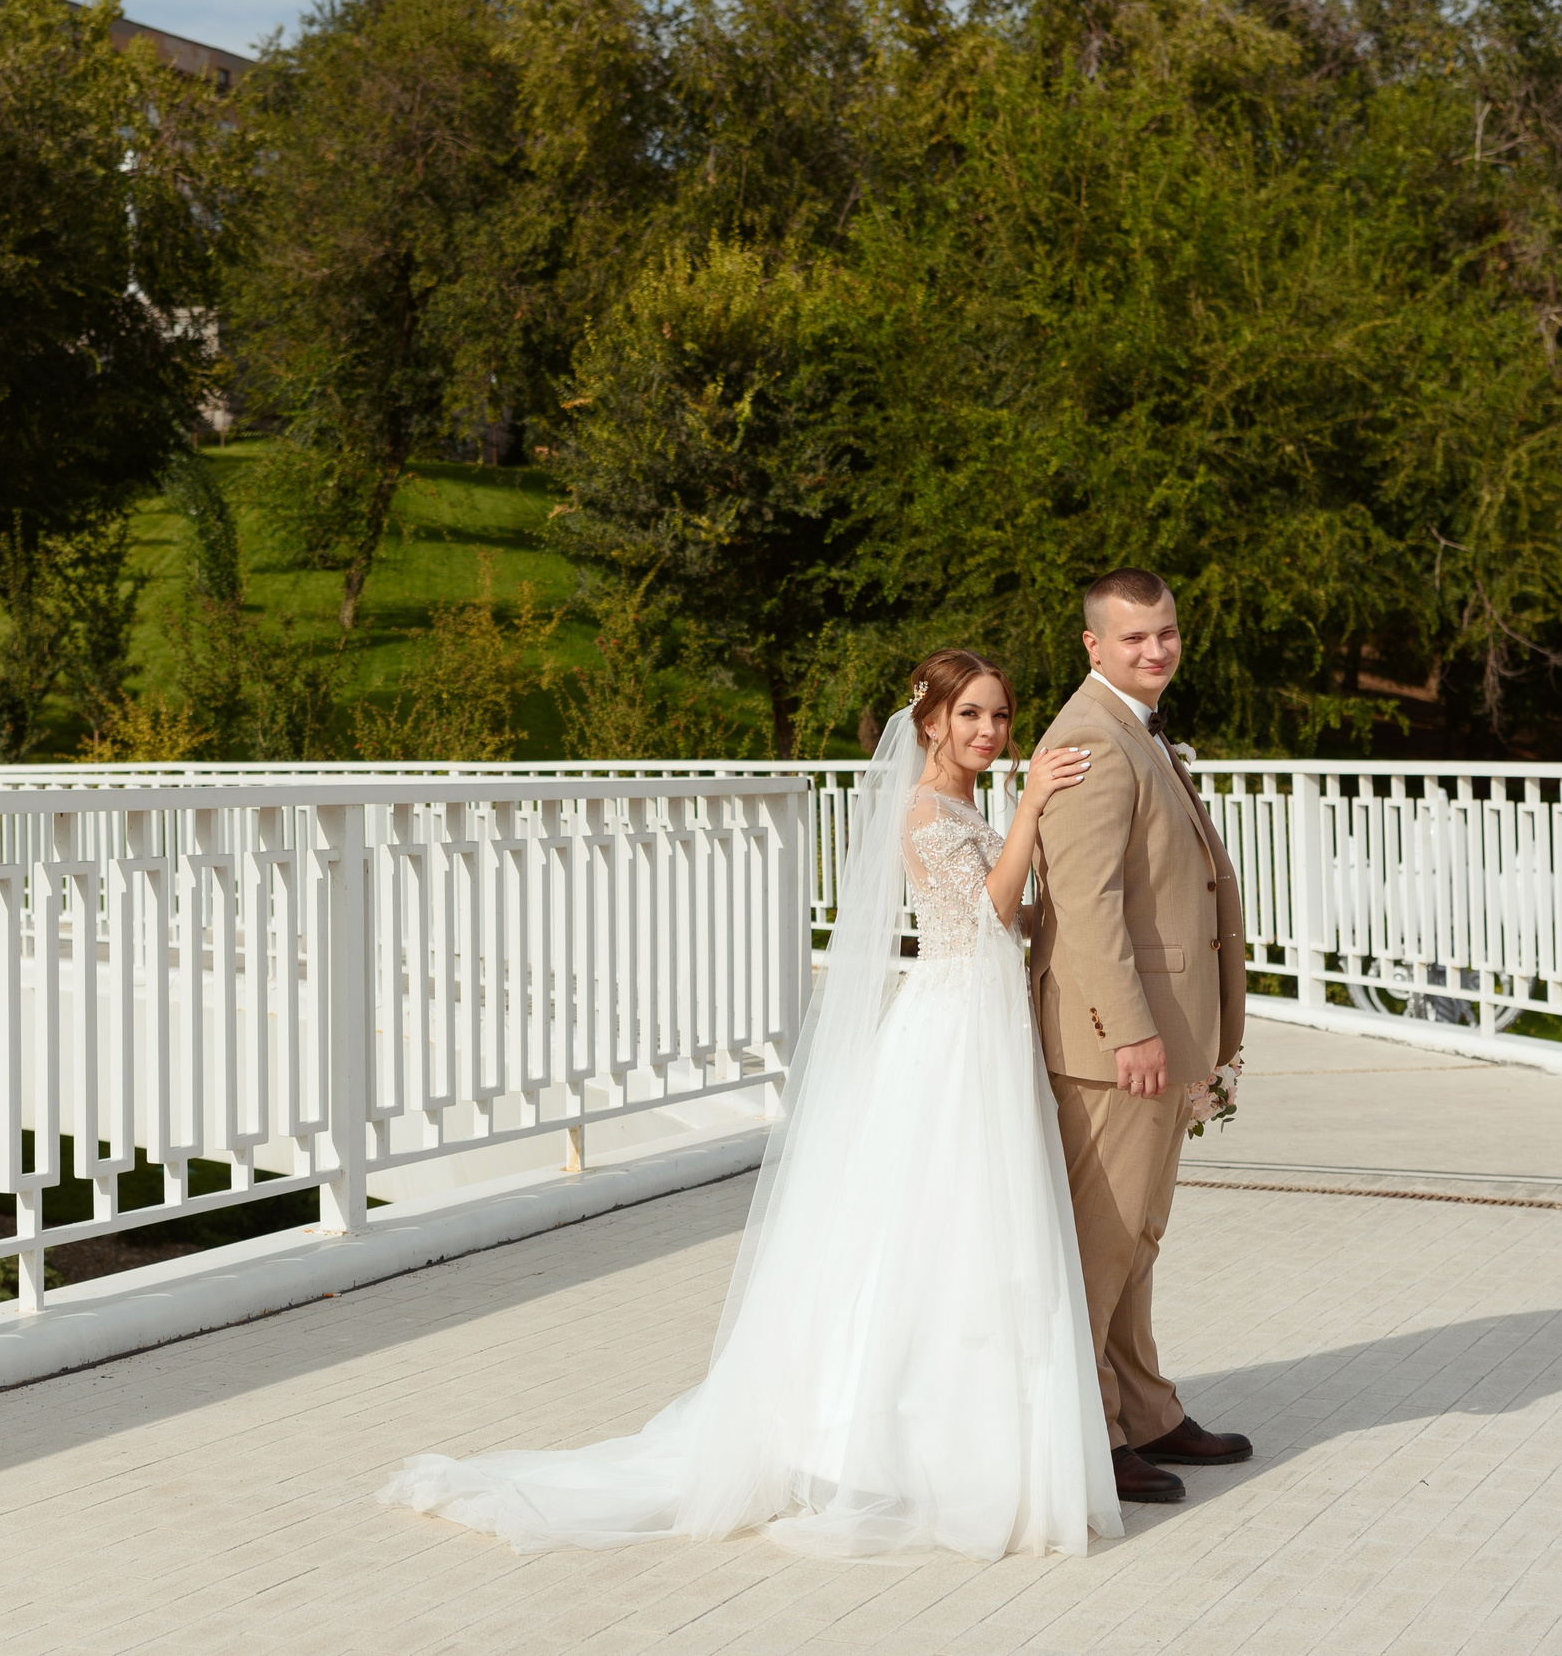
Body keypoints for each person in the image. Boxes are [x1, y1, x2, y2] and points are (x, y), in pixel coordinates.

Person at [380, 651, 1122, 1561]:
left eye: (1002, 717)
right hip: (952, 1032)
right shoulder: (926, 808)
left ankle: (973, 1439)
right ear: (929, 720)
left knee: (970, 1227)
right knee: (942, 1220)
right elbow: (986, 917)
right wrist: (1038, 803)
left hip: (981, 1027)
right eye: (971, 714)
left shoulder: (965, 804)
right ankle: (900, 1445)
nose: (990, 733)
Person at [1029, 568, 1252, 1506]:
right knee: (1102, 1241)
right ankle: (1088, 1432)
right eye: (1133, 638)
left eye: (1165, 632)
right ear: (1092, 646)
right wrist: (1129, 1031)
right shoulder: (1090, 738)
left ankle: (1145, 1408)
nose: (1155, 649)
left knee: (1140, 1234)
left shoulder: (1140, 730)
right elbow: (1086, 908)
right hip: (1117, 1044)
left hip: (1167, 1034)